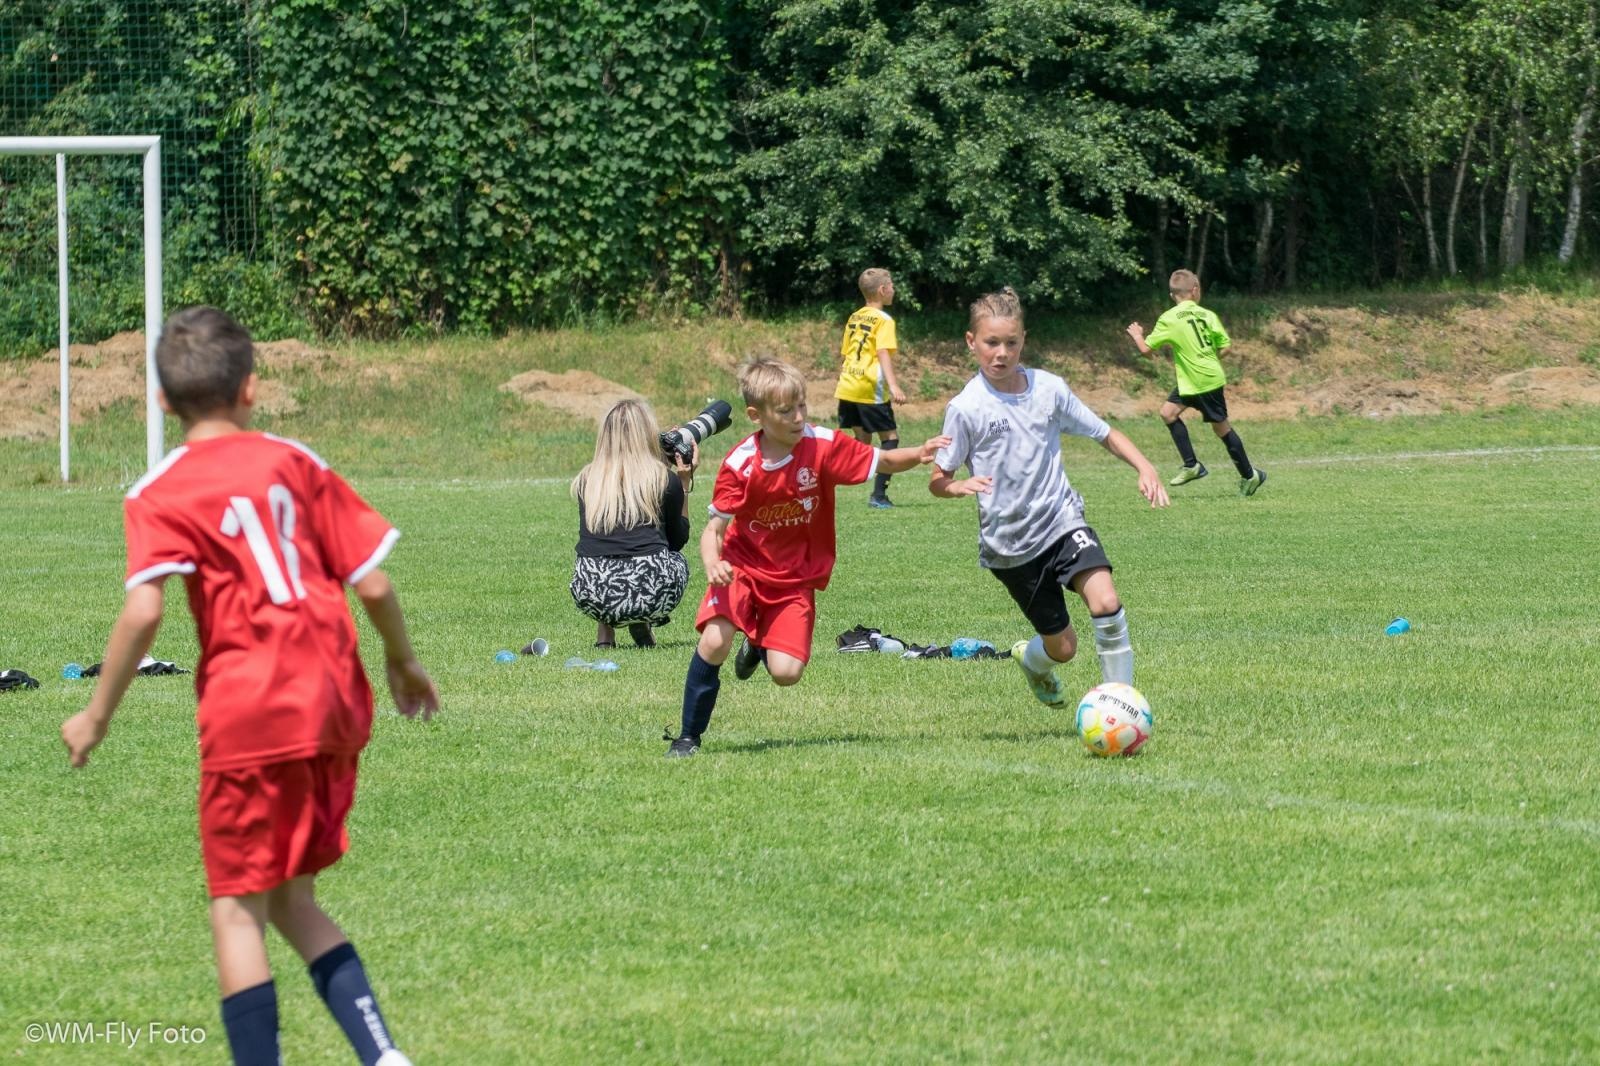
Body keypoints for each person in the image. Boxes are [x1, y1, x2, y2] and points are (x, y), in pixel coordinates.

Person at [60, 307, 436, 1066]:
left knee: (237, 912)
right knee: (295, 899)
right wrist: (402, 661)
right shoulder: (294, 461)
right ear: (252, 390)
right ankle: (384, 1056)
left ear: (162, 403)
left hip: (250, 711)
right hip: (333, 701)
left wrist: (97, 715)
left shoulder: (159, 489)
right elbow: (372, 581)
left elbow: (144, 609)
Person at [664, 356, 948, 757]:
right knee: (715, 641)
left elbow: (880, 461)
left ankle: (758, 645)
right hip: (741, 568)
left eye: (802, 406)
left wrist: (920, 452)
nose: (798, 417)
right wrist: (713, 562)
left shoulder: (822, 445)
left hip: (794, 578)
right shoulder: (741, 463)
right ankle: (688, 737)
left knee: (786, 673)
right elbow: (713, 529)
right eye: (785, 410)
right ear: (755, 415)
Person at [930, 287, 1169, 707]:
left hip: (1062, 521)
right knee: (1063, 648)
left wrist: (1145, 466)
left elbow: (1104, 432)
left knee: (1106, 601)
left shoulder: (1049, 389)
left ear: (1024, 339)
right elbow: (938, 478)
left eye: (1011, 342)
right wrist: (956, 487)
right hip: (1010, 545)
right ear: (972, 342)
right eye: (991, 343)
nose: (1001, 353)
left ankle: (1121, 704)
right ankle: (1033, 661)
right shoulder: (967, 408)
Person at [1125, 268, 1266, 495]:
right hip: (1204, 379)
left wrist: (1137, 335)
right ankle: (1192, 465)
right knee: (1168, 412)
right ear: (1195, 290)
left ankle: (1250, 475)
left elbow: (1146, 351)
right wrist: (1207, 359)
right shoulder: (1207, 315)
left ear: (1173, 296)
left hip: (1197, 381)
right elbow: (1226, 346)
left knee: (1220, 428)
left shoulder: (1169, 318)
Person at [570, 399, 698, 649]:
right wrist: (683, 482)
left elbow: (594, 541)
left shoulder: (588, 479)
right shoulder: (663, 479)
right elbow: (677, 541)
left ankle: (604, 635)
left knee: (603, 553)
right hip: (651, 593)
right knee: (674, 560)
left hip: (591, 592)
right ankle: (642, 619)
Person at [835, 267, 908, 508]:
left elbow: (845, 354)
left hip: (848, 384)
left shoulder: (855, 316)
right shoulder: (884, 320)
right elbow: (882, 352)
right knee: (890, 438)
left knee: (861, 440)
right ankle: (879, 495)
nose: (894, 290)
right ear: (882, 290)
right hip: (868, 386)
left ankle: (833, 478)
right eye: (892, 286)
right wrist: (894, 385)